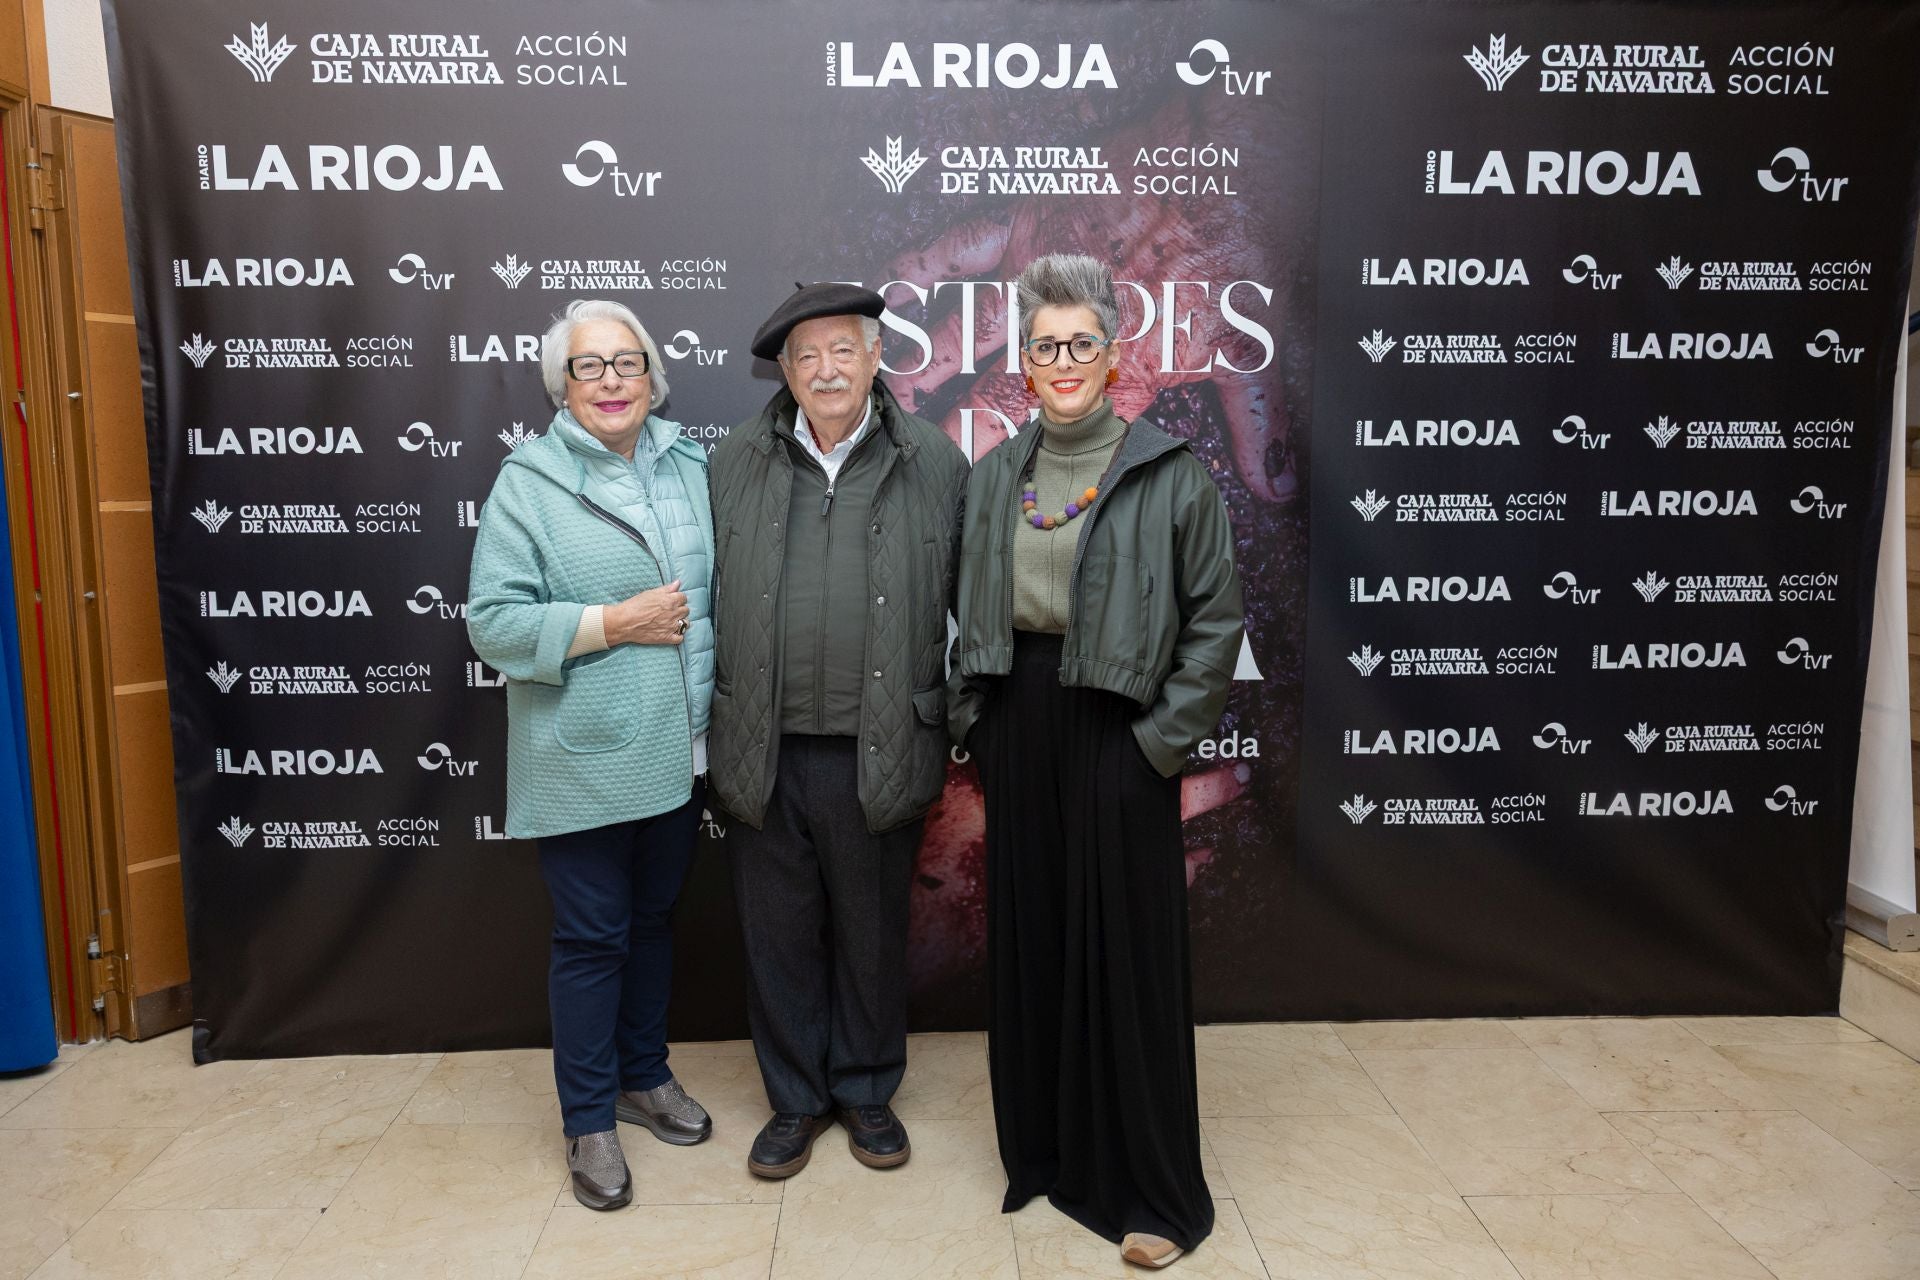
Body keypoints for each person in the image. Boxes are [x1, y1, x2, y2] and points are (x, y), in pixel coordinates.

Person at [948, 254, 1244, 1269]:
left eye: (1081, 342)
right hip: (1021, 723)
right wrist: (976, 720)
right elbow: (962, 612)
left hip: (1123, 727)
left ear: (1116, 353)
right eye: (1044, 345)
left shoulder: (1172, 473)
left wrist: (1158, 745)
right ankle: (1048, 1153)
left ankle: (1157, 1191)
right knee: (1036, 941)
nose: (1062, 360)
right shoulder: (995, 477)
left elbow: (1215, 625)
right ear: (1020, 363)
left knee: (1128, 957)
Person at [708, 282, 968, 1179]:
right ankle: (795, 1101)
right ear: (783, 370)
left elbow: (971, 605)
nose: (827, 368)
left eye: (844, 350)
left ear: (874, 359)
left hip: (881, 743)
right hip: (763, 743)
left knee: (869, 930)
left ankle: (863, 1089)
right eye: (806, 354)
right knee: (777, 935)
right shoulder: (731, 460)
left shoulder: (934, 459)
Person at [467, 299, 716, 1211]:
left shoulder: (692, 464)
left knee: (653, 924)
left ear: (654, 376)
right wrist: (612, 624)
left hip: (682, 748)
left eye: (627, 363)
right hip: (583, 754)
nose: (612, 381)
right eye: (589, 367)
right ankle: (588, 1119)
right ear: (561, 387)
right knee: (591, 939)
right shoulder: (527, 483)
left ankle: (643, 1077)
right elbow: (492, 623)